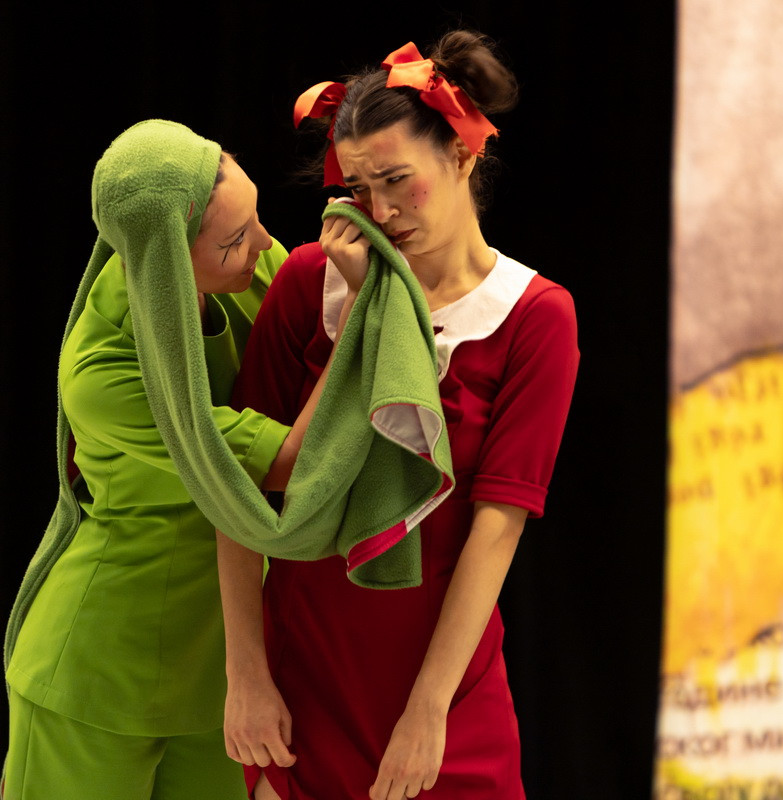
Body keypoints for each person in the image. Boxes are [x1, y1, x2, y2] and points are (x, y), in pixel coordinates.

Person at [219, 32, 580, 800]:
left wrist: (429, 710)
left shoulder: (534, 316)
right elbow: (237, 488)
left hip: (444, 690)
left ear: (462, 153)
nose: (380, 211)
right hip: (303, 681)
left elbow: (498, 525)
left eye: (395, 180)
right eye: (358, 187)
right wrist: (244, 674)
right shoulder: (311, 282)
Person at [1, 120, 364, 800]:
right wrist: (357, 331)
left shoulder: (251, 272)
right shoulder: (104, 371)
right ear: (166, 258)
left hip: (221, 673)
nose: (264, 245)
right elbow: (290, 463)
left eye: (254, 219)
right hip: (99, 675)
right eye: (234, 240)